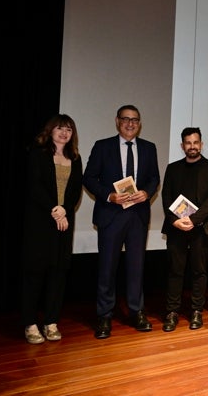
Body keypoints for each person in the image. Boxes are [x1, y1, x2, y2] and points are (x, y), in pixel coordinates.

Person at [83, 105, 160, 339]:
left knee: (136, 268)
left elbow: (154, 178)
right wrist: (110, 195)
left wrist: (146, 193)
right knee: (107, 268)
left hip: (137, 216)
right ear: (117, 121)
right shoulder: (102, 146)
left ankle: (136, 311)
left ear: (140, 123)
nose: (130, 123)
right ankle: (105, 315)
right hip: (111, 215)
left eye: (135, 120)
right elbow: (88, 178)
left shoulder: (148, 148)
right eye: (126, 119)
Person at [22, 114, 83, 344]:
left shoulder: (75, 158)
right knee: (35, 273)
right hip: (40, 222)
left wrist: (64, 210)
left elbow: (75, 190)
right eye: (59, 128)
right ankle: (30, 323)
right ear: (51, 130)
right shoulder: (38, 154)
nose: (64, 132)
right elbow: (34, 186)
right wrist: (55, 209)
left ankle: (51, 321)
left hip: (64, 223)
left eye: (68, 129)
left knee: (59, 273)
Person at [160, 127, 208, 332]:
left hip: (200, 228)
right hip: (176, 227)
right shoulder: (173, 168)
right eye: (188, 143)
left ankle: (196, 311)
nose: (192, 146)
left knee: (199, 271)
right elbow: (166, 197)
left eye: (196, 142)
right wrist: (174, 220)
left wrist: (193, 220)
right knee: (174, 271)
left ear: (201, 144)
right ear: (182, 146)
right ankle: (172, 312)